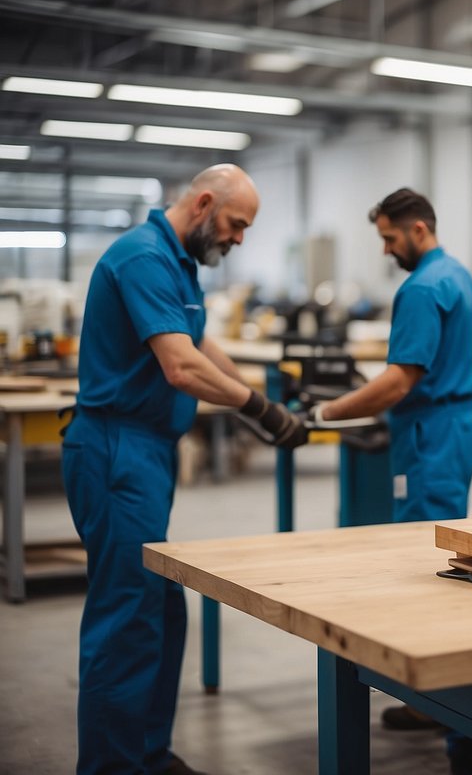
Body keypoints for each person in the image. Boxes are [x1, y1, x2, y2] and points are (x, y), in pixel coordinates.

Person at [63, 164, 309, 775]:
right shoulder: (144, 257)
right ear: (203, 204)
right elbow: (180, 366)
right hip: (117, 448)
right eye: (236, 224)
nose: (239, 239)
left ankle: (148, 753)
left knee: (162, 605)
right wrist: (257, 408)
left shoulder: (178, 261)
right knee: (128, 615)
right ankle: (113, 767)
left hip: (148, 450)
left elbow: (199, 344)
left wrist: (265, 402)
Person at [306, 187, 472, 736]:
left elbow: (398, 381)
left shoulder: (422, 287)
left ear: (418, 229)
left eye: (389, 238)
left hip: (429, 435)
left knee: (425, 561)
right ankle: (441, 692)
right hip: (455, 427)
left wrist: (326, 413)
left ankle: (432, 700)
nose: (385, 250)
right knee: (442, 554)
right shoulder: (458, 275)